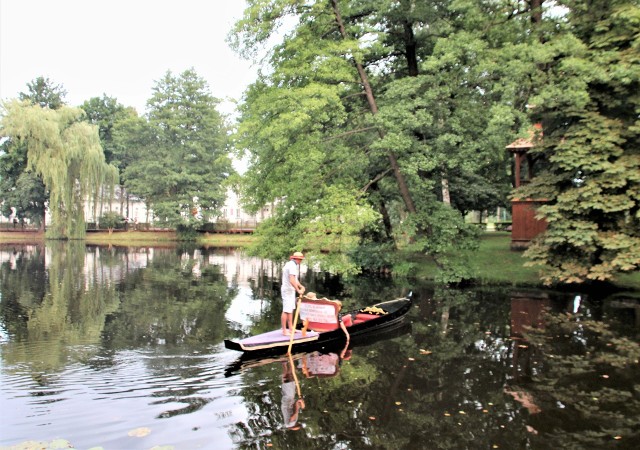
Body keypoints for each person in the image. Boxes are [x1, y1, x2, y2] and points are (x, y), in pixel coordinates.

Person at [281, 251, 305, 335]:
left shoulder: (292, 265)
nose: (301, 261)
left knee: (290, 309)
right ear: (297, 259)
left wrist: (300, 286)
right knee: (286, 310)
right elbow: (291, 280)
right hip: (287, 290)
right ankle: (284, 330)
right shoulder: (292, 266)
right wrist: (298, 290)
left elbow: (295, 279)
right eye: (300, 259)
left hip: (290, 290)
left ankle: (291, 328)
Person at [281, 359, 305, 430]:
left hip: (288, 399)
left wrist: (297, 408)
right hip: (287, 401)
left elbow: (293, 416)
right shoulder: (288, 424)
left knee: (288, 379)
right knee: (287, 380)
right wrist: (299, 403)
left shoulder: (291, 424)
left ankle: (286, 363)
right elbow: (297, 406)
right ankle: (285, 364)